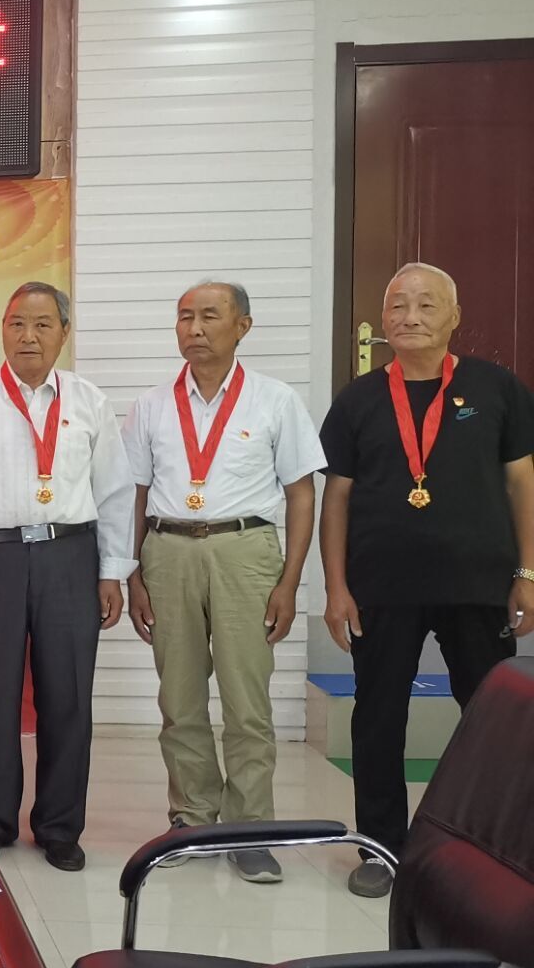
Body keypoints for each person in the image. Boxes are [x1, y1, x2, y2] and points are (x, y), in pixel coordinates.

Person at [319, 262, 534, 898]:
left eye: (426, 304)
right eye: (398, 305)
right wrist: (336, 587)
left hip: (478, 583)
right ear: (382, 319)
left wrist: (527, 571)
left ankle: (490, 846)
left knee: (492, 719)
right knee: (378, 718)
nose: (410, 316)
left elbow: (522, 483)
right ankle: (381, 847)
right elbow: (336, 498)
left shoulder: (497, 388)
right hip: (380, 587)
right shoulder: (357, 399)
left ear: (454, 317)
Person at [0, 283, 134, 871]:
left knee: (67, 694)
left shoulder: (89, 401)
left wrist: (113, 571)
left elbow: (114, 492)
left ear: (64, 333)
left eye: (43, 325)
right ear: (3, 330)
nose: (29, 337)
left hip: (70, 556)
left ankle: (60, 826)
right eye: (17, 324)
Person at [123, 282, 325, 883]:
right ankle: (191, 818)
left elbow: (301, 494)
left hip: (246, 551)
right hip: (167, 551)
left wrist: (290, 581)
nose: (195, 328)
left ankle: (250, 829)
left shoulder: (275, 400)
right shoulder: (151, 406)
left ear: (243, 326)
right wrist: (133, 573)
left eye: (210, 316)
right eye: (184, 316)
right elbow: (132, 494)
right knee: (179, 697)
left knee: (246, 700)